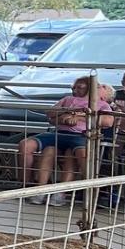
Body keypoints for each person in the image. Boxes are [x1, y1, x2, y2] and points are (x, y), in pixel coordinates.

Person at [19, 77, 111, 205]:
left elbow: (108, 122)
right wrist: (65, 115)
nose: (75, 90)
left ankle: (93, 191)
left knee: (80, 154)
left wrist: (79, 117)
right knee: (26, 145)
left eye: (80, 87)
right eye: (74, 87)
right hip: (60, 133)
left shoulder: (101, 104)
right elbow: (50, 113)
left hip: (81, 134)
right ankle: (27, 185)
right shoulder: (67, 100)